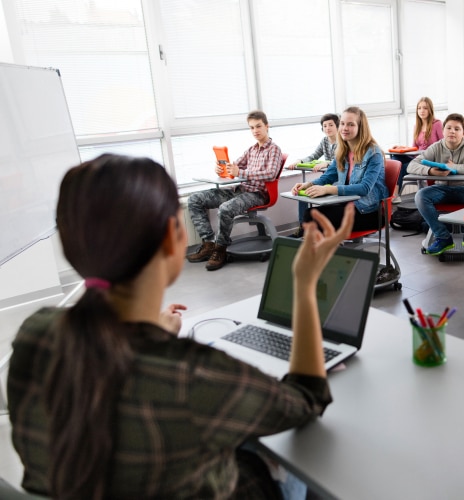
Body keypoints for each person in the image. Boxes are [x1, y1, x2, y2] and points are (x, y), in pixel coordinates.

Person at [8, 153, 355, 499]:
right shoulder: (192, 373)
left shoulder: (35, 335)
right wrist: (306, 288)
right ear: (170, 239)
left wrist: (152, 335)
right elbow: (306, 400)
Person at [186, 110, 283, 271]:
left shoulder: (274, 150)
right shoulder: (251, 150)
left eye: (258, 126)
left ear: (267, 126)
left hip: (257, 194)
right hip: (239, 190)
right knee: (195, 199)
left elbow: (270, 174)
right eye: (251, 128)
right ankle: (209, 243)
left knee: (226, 209)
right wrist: (223, 169)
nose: (255, 131)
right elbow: (235, 166)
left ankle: (220, 249)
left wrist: (241, 173)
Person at [291, 106, 388, 232]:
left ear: (361, 128)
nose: (344, 128)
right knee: (311, 214)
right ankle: (311, 245)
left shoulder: (373, 153)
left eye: (351, 124)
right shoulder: (342, 151)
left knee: (313, 218)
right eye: (342, 123)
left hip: (368, 212)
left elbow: (364, 188)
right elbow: (328, 176)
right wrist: (308, 184)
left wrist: (327, 189)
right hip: (346, 205)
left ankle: (311, 246)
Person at [407, 113, 464, 255]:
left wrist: (455, 167)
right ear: (443, 131)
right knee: (420, 196)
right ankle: (443, 237)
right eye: (449, 128)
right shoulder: (436, 147)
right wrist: (431, 171)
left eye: (457, 129)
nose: (452, 131)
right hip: (442, 188)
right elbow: (411, 166)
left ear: (463, 133)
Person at [286, 113, 340, 237]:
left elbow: (342, 161)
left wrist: (326, 163)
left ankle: (329, 229)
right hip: (327, 178)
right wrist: (300, 161)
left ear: (337, 126)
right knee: (303, 192)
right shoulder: (325, 141)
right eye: (325, 126)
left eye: (331, 125)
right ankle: (302, 227)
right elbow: (314, 155)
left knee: (329, 198)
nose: (327, 128)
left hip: (339, 179)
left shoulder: (343, 141)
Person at [390, 96, 444, 204]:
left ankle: (395, 194)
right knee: (396, 159)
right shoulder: (417, 126)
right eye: (419, 108)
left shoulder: (437, 124)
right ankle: (395, 194)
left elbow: (443, 145)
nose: (422, 111)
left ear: (430, 110)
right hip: (417, 158)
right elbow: (414, 148)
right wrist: (401, 148)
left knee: (402, 167)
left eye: (425, 108)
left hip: (429, 160)